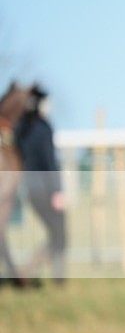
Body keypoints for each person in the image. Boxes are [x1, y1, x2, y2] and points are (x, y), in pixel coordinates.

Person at [14, 85, 66, 282]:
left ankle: (30, 271)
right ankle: (47, 276)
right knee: (60, 235)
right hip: (46, 189)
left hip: (30, 188)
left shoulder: (21, 129)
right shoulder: (43, 128)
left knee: (55, 233)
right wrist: (58, 191)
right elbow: (49, 162)